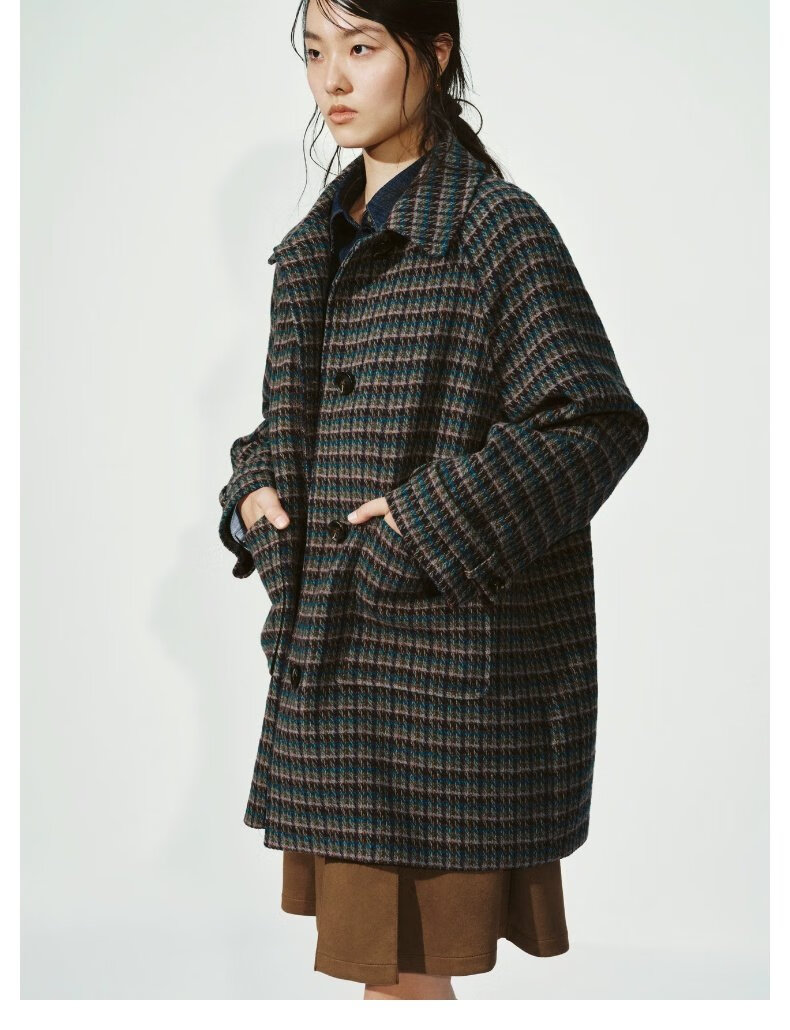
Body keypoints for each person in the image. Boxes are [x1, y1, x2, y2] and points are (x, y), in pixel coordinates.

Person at [218, 0, 649, 1001]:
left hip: (442, 679)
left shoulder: (494, 227)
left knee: (404, 981)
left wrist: (424, 521)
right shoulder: (313, 248)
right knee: (391, 981)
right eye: (316, 52)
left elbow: (591, 422)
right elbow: (292, 423)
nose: (333, 79)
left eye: (362, 48)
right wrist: (251, 490)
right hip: (332, 674)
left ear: (435, 53)